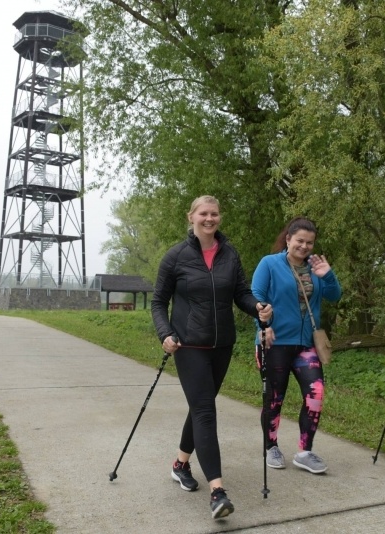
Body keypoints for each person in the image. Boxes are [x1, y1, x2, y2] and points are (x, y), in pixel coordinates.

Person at [151, 195, 273, 520]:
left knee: (199, 405)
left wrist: (257, 307)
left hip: (222, 346)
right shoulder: (175, 257)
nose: (210, 219)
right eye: (203, 213)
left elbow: (242, 294)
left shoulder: (229, 254)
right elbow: (158, 301)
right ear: (191, 217)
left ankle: (180, 464)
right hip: (189, 345)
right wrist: (165, 333)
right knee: (206, 410)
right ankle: (217, 492)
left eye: (214, 214)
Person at [251, 217, 342, 474]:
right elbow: (255, 298)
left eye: (309, 242)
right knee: (274, 399)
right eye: (299, 240)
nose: (304, 246)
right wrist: (262, 329)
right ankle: (271, 447)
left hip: (305, 344)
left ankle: (305, 451)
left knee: (316, 394)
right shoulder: (269, 264)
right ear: (288, 239)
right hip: (275, 342)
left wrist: (329, 275)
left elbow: (335, 296)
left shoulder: (316, 267)